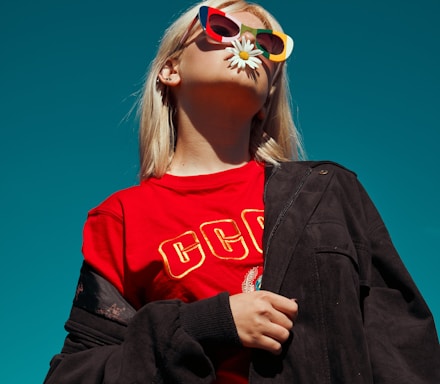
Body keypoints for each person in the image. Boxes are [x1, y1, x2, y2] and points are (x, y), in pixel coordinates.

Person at [44, 0, 440, 383]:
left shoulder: (327, 194)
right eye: (223, 27)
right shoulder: (122, 217)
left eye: (268, 44)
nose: (247, 44)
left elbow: (402, 348)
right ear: (170, 69)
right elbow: (77, 374)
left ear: (268, 97)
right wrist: (206, 325)